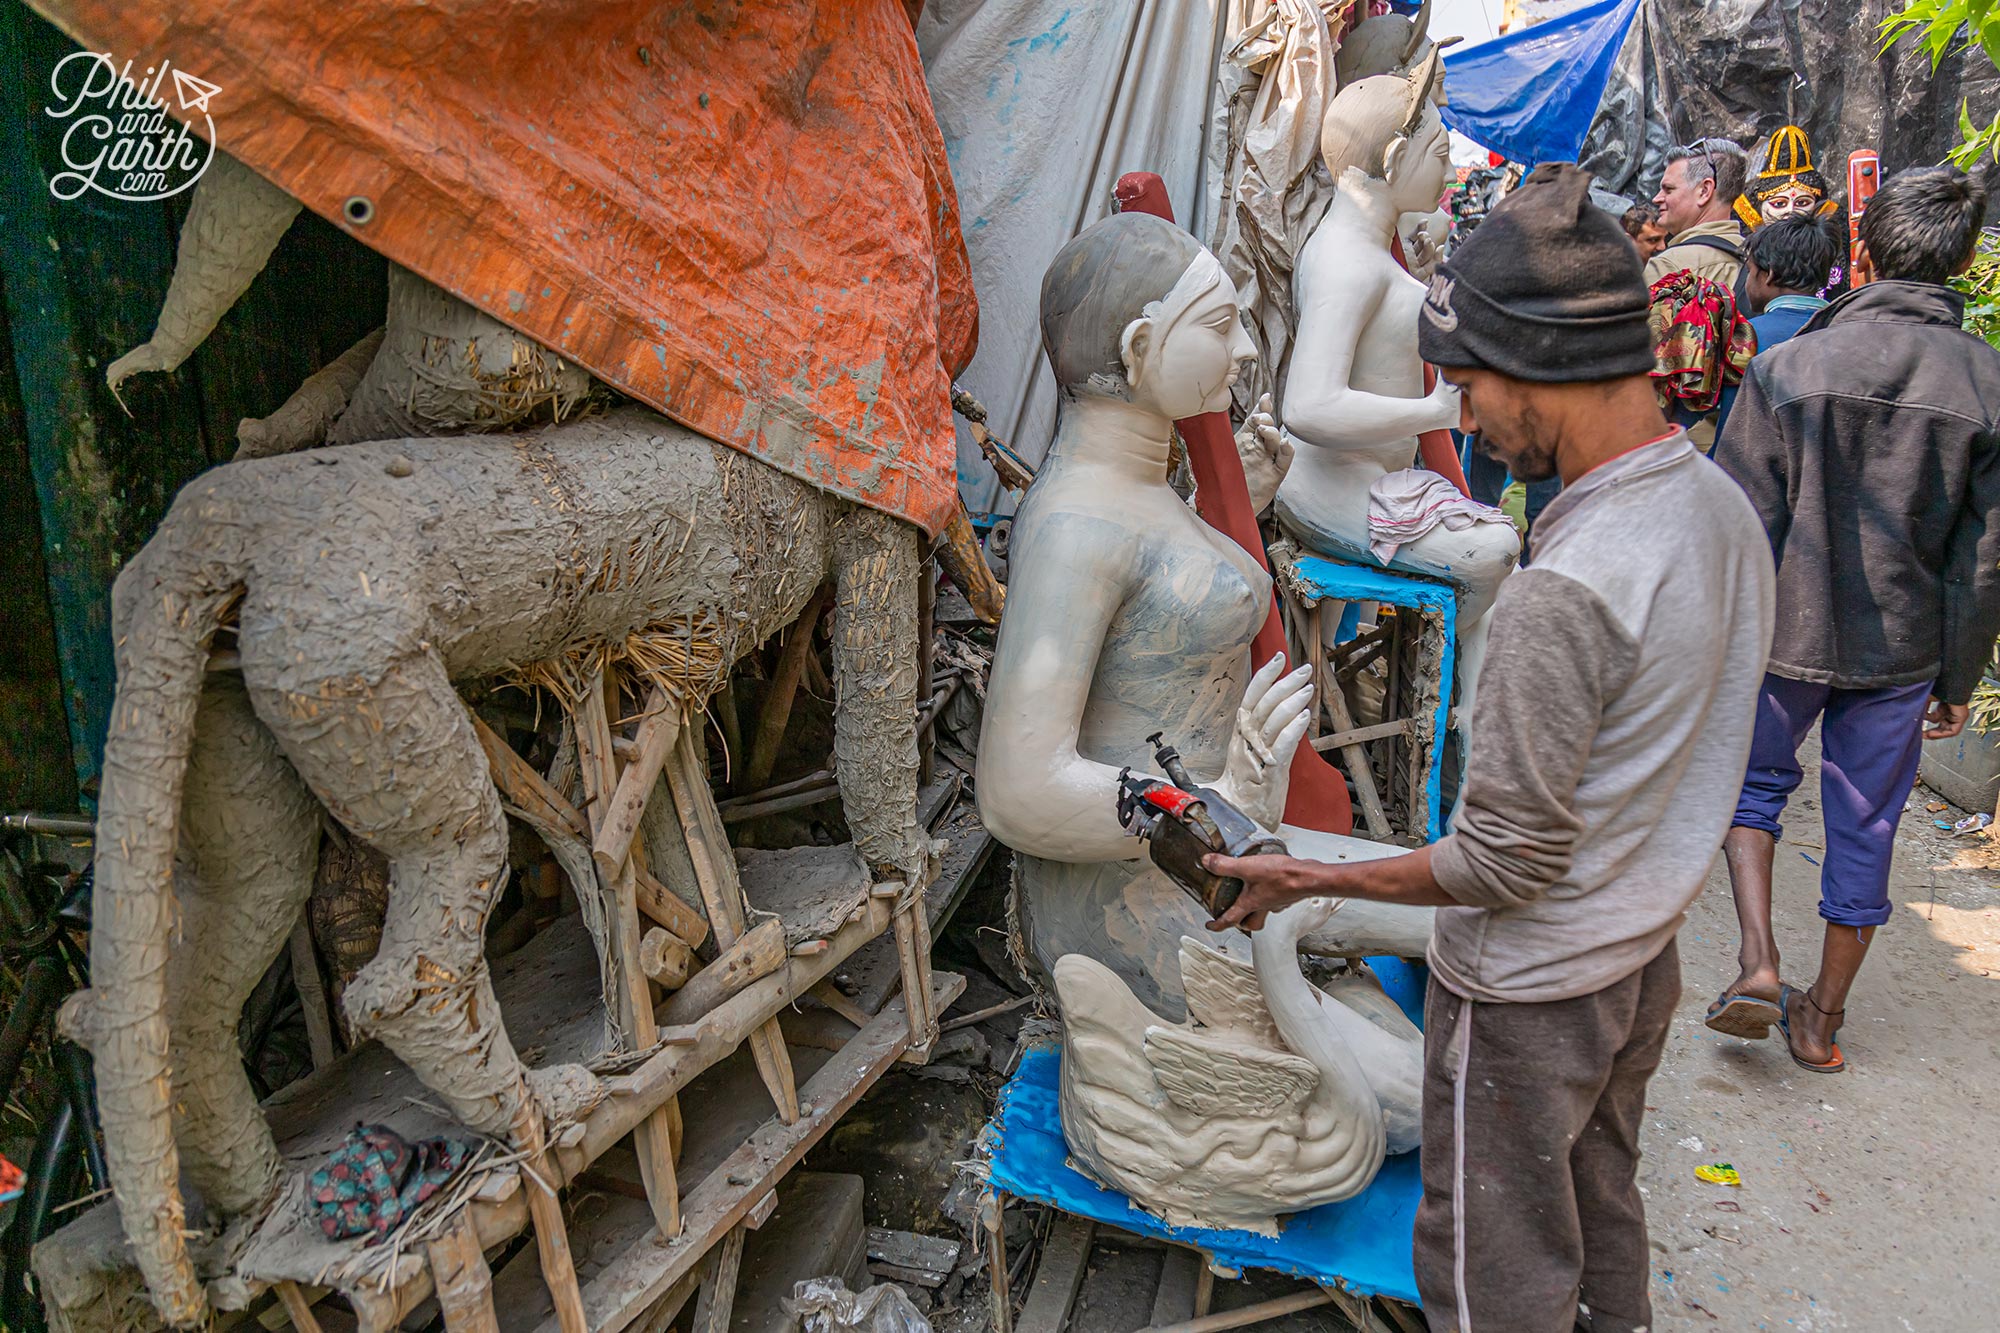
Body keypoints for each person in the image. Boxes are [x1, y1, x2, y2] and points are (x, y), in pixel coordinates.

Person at [1206, 163, 1775, 1333]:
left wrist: (1306, 878)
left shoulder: (1560, 589)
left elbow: (1497, 866)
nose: (1460, 417)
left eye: (1465, 385)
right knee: (1595, 1198)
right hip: (1637, 958)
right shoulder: (1715, 512)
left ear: (1537, 371)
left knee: (1488, 1273)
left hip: (1529, 994)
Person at [1706, 166, 2000, 1073]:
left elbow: (1740, 517)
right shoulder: (1986, 382)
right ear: (1964, 259)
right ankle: (1822, 1019)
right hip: (1903, 646)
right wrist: (1958, 677)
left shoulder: (1788, 365)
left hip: (1783, 631)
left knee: (1752, 789)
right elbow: (1982, 560)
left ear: (1862, 250)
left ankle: (1758, 962)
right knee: (1865, 822)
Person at [1712, 215, 1841, 435]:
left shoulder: (1741, 336)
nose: (1747, 281)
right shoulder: (1845, 333)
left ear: (1768, 275)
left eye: (1750, 271)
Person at [1647, 137, 1750, 288]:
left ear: (1704, 191)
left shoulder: (1669, 267)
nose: (1657, 198)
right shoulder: (1760, 264)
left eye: (1668, 189)